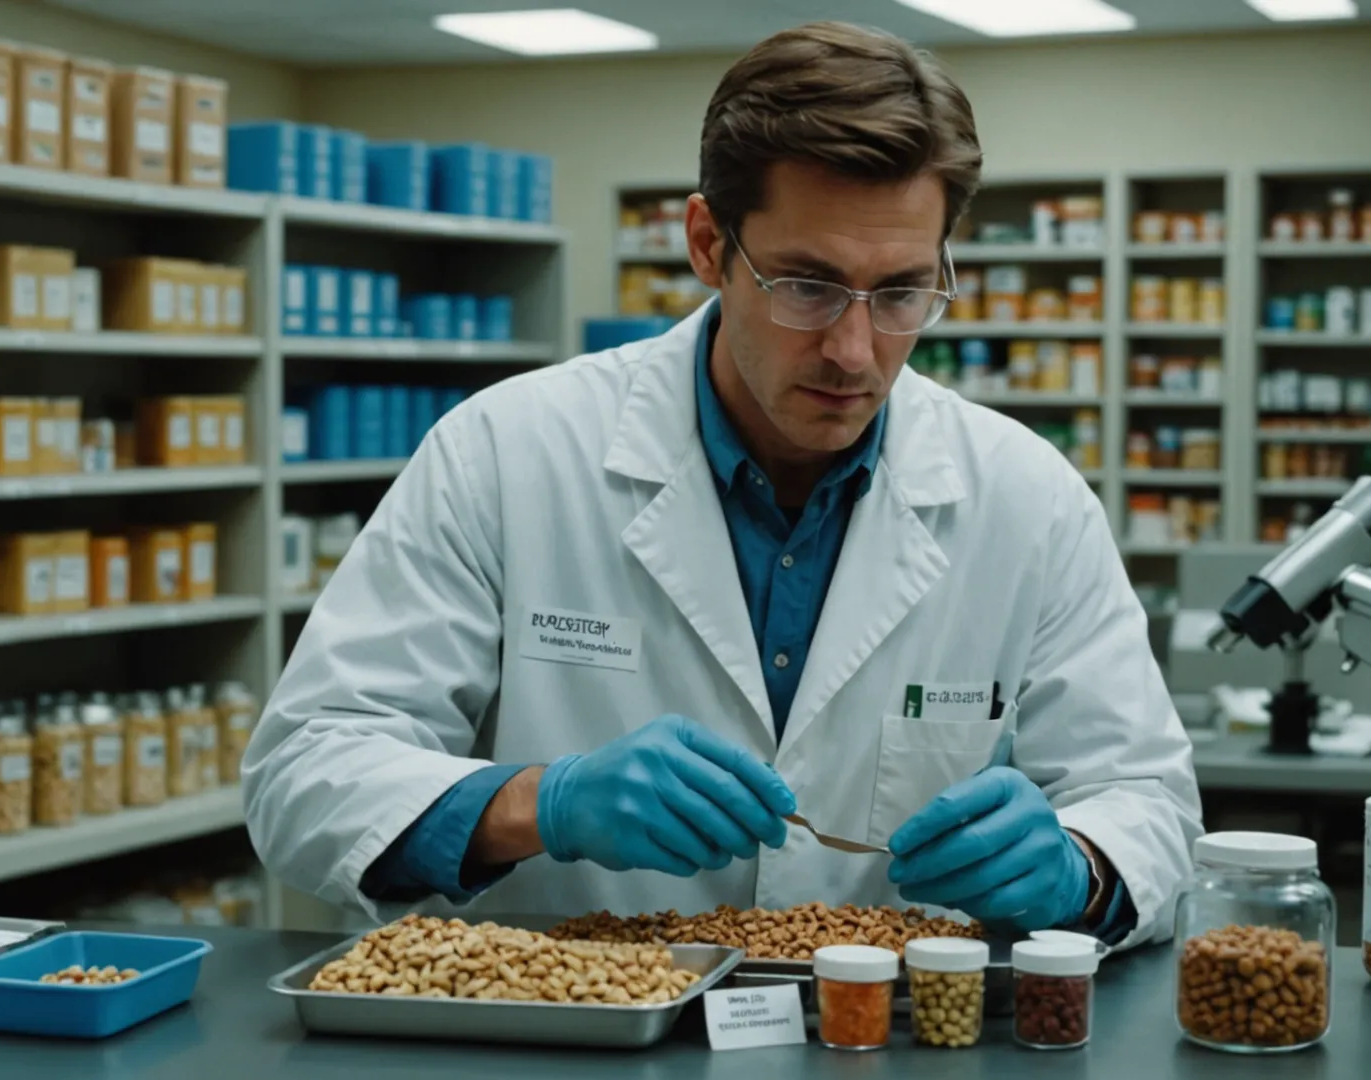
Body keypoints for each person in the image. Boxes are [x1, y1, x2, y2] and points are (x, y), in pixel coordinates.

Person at [244, 21, 1201, 947]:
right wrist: (539, 803)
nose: (854, 351)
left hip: (891, 1044)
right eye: (808, 286)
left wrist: (1083, 868)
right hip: (574, 1035)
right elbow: (305, 772)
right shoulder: (505, 452)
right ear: (708, 245)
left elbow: (1148, 799)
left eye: (904, 292)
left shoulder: (1026, 497)